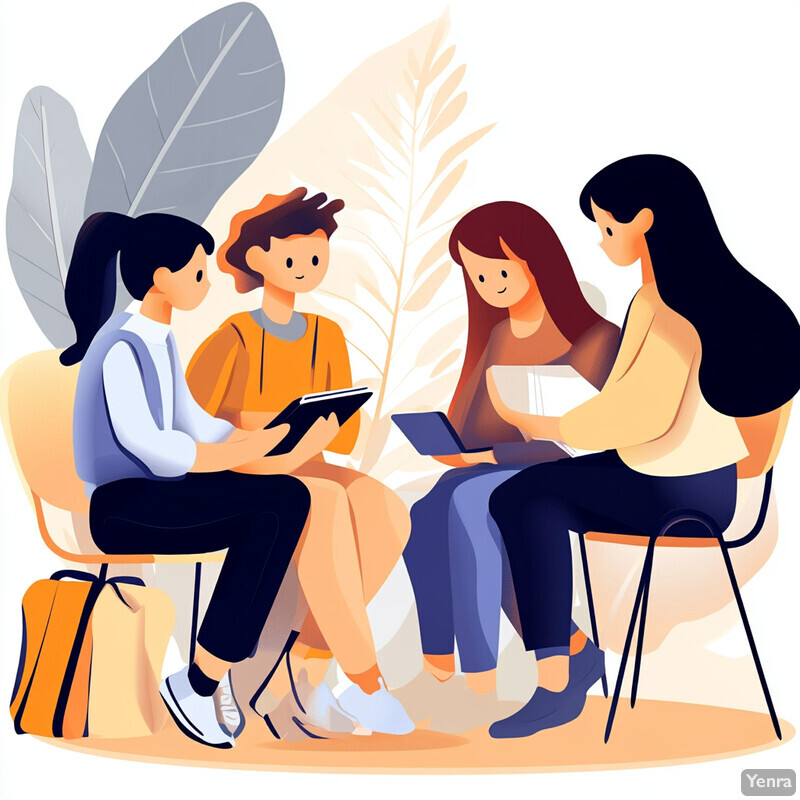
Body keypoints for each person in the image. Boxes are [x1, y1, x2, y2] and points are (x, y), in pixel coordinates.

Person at [487, 155, 800, 738]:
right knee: (534, 497)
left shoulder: (667, 307)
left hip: (675, 490)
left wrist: (538, 418)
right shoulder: (725, 295)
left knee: (520, 499)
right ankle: (570, 659)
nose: (603, 241)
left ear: (647, 221)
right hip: (710, 483)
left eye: (608, 227)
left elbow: (640, 416)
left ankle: (558, 678)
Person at [62, 211, 320, 749]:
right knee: (273, 509)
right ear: (161, 277)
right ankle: (200, 683)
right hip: (119, 507)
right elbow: (151, 446)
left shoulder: (159, 336)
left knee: (287, 497)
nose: (206, 285)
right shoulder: (120, 346)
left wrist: (264, 433)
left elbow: (191, 420)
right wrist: (240, 451)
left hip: (156, 492)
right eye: (198, 275)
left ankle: (204, 676)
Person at [186, 188, 414, 736]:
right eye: (292, 256)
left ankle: (306, 670)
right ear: (259, 258)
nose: (306, 268)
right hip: (248, 466)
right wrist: (275, 431)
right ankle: (367, 682)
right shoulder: (234, 335)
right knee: (330, 499)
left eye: (316, 257)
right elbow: (196, 421)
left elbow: (345, 431)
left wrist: (310, 434)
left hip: (307, 459)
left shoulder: (327, 335)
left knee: (386, 509)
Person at [400, 202, 619, 729]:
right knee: (426, 510)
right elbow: (476, 426)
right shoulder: (496, 337)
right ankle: (453, 651)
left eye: (500, 270)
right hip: (494, 465)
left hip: (558, 471)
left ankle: (481, 661)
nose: (489, 283)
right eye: (477, 275)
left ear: (536, 262)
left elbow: (576, 437)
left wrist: (490, 454)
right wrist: (456, 444)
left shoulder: (595, 337)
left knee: (473, 502)